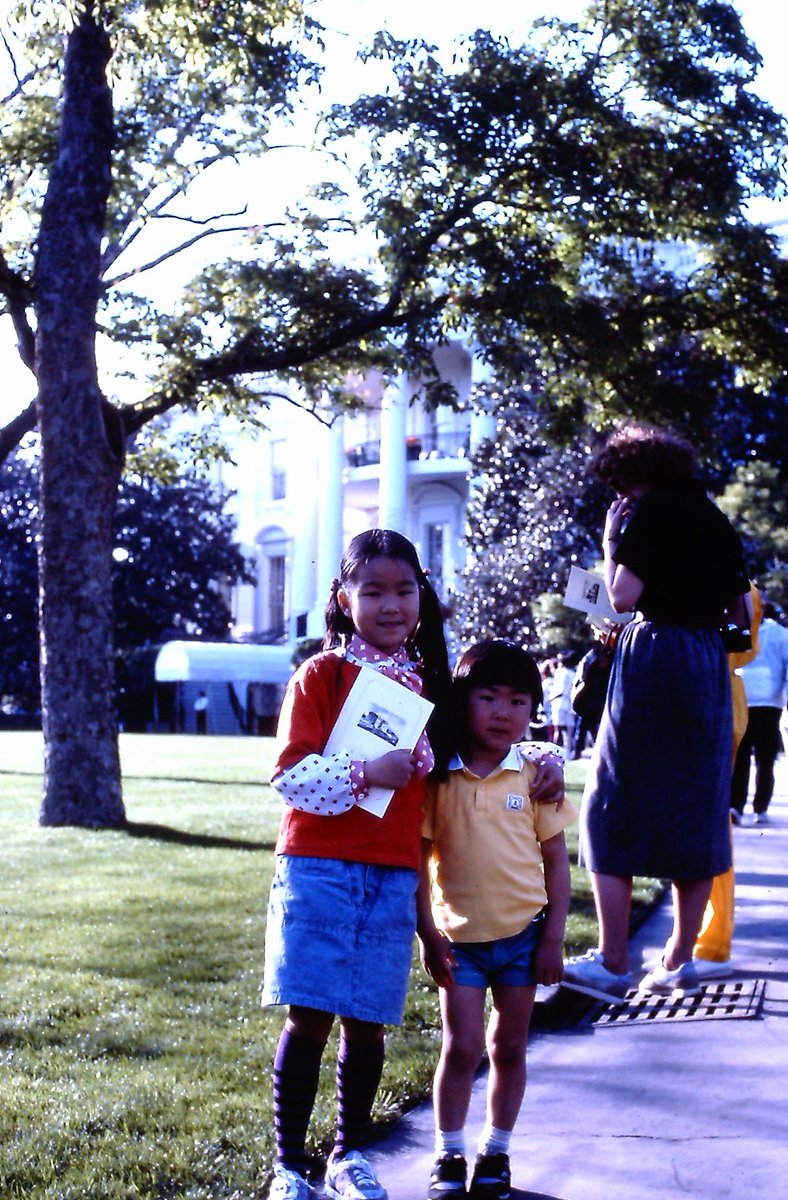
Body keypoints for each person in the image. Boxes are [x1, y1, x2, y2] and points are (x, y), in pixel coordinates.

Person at [262, 530, 564, 1200]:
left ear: (421, 601)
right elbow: (287, 775)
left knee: (367, 1022)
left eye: (404, 590)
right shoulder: (323, 675)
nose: (391, 604)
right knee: (309, 1017)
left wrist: (547, 759)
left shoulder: (430, 688)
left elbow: (495, 739)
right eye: (373, 591)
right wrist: (368, 768)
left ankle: (348, 1154)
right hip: (318, 866)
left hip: (395, 873)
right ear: (344, 599)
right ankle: (288, 1165)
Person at [561, 423, 750, 1004]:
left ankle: (615, 960)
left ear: (632, 473)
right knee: (698, 806)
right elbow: (740, 609)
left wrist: (614, 537)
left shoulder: (649, 513)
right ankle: (678, 958)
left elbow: (619, 597)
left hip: (655, 658)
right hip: (706, 663)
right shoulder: (714, 517)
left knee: (609, 802)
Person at [417, 640, 576, 1200]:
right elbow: (419, 860)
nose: (503, 712)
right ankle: (448, 1152)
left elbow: (557, 866)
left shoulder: (536, 776)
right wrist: (428, 934)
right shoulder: (437, 778)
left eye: (517, 700)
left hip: (523, 939)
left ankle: (497, 1151)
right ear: (464, 702)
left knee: (509, 1046)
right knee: (462, 1048)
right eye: (488, 698)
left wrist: (553, 937)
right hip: (459, 941)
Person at [729, 600, 788, 826]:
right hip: (741, 700)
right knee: (740, 755)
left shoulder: (778, 633)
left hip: (769, 703)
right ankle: (735, 806)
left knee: (766, 758)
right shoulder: (736, 630)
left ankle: (760, 807)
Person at [570, 626, 618, 758]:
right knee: (585, 729)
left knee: (595, 729)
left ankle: (600, 752)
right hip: (590, 699)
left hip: (599, 699)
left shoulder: (612, 654)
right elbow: (586, 677)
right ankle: (580, 752)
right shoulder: (595, 654)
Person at [548, 654, 575, 754]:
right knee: (568, 730)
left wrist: (551, 698)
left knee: (558, 730)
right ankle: (567, 751)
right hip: (568, 704)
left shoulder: (560, 672)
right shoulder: (573, 673)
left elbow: (559, 690)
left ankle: (555, 752)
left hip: (559, 702)